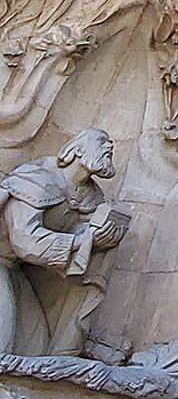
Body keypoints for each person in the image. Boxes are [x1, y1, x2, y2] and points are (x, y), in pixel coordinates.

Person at [0, 128, 129, 357]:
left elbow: (80, 237)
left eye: (110, 142)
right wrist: (84, 241)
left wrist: (100, 239)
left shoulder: (91, 197)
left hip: (13, 269)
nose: (110, 147)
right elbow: (25, 241)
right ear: (76, 149)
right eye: (101, 142)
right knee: (6, 342)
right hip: (7, 261)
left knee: (34, 346)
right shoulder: (37, 179)